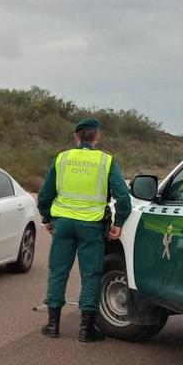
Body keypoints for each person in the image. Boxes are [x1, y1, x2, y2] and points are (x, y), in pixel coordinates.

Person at [36, 117, 133, 342]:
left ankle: (52, 325)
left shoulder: (62, 159)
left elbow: (45, 196)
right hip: (91, 226)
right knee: (91, 275)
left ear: (76, 136)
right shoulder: (106, 161)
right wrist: (118, 223)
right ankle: (86, 329)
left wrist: (47, 218)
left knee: (58, 271)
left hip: (63, 224)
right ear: (97, 136)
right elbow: (123, 197)